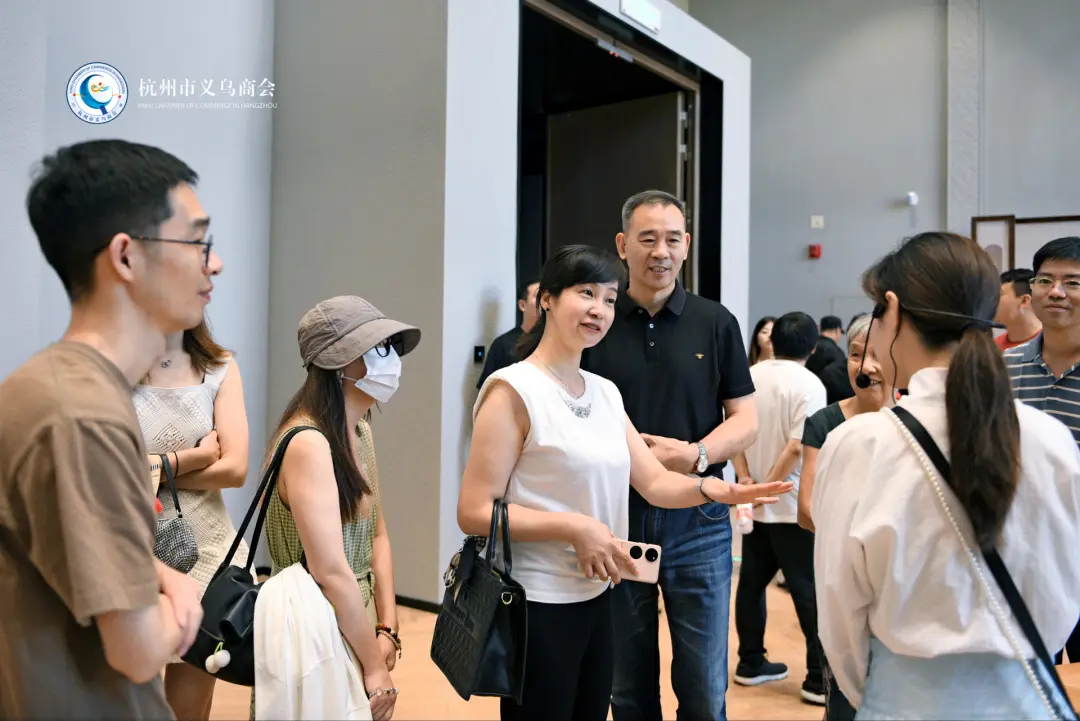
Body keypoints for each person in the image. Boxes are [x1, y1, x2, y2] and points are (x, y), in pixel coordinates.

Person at [458, 244, 790, 721]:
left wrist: (711, 489)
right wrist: (575, 527)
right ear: (547, 299)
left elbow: (654, 482)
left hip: (600, 595)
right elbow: (474, 512)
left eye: (610, 299)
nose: (600, 309)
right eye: (586, 293)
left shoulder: (604, 393)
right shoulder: (514, 390)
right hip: (537, 600)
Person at [814, 231, 1080, 718]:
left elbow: (839, 615)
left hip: (903, 701)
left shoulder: (859, 444)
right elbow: (1062, 600)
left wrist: (885, 691)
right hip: (1023, 699)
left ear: (893, 309)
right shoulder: (1051, 440)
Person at [0, 139, 212, 718]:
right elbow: (138, 651)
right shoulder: (81, 413)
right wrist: (185, 604)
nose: (212, 263)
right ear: (125, 256)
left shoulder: (53, 386)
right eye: (197, 241)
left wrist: (159, 574)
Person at [578, 190, 760, 721]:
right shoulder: (596, 322)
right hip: (616, 517)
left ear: (687, 245)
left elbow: (746, 420)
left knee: (704, 688)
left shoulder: (715, 322)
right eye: (648, 239)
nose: (661, 251)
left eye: (672, 239)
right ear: (622, 245)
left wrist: (696, 453)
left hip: (699, 518)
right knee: (627, 686)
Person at [255, 295, 418, 721]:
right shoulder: (308, 442)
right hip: (313, 625)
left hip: (355, 618)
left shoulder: (359, 431)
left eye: (391, 347)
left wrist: (388, 627)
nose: (391, 360)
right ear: (339, 362)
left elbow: (378, 536)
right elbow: (329, 571)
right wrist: (375, 665)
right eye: (377, 348)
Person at [133, 319, 250, 721]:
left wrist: (154, 471)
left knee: (189, 709)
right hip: (133, 554)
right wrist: (194, 458)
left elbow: (235, 469)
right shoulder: (117, 367)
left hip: (207, 555)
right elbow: (107, 467)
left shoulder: (219, 366)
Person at [796, 313, 892, 721]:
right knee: (843, 691)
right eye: (855, 354)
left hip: (895, 580)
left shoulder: (912, 420)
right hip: (842, 574)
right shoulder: (825, 423)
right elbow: (807, 510)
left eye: (876, 355)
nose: (864, 366)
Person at [731, 312, 827, 704]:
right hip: (790, 502)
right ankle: (818, 679)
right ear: (813, 347)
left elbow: (733, 432)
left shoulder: (749, 375)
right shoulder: (810, 384)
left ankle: (750, 661)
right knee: (807, 591)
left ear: (773, 341)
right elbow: (796, 446)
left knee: (751, 584)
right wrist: (767, 487)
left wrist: (747, 480)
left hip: (755, 499)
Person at [1004, 236, 1080, 664]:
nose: (1056, 292)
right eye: (1045, 280)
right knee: (1026, 677)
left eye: (1072, 282)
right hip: (1023, 556)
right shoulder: (1003, 368)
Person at [477, 279, 540, 388]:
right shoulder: (503, 344)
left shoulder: (555, 342)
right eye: (537, 296)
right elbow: (487, 389)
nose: (543, 301)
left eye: (546, 297)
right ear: (522, 305)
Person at [994, 268, 1042, 351]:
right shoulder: (993, 348)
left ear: (1024, 301)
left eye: (999, 295)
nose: (992, 301)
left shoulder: (1053, 346)